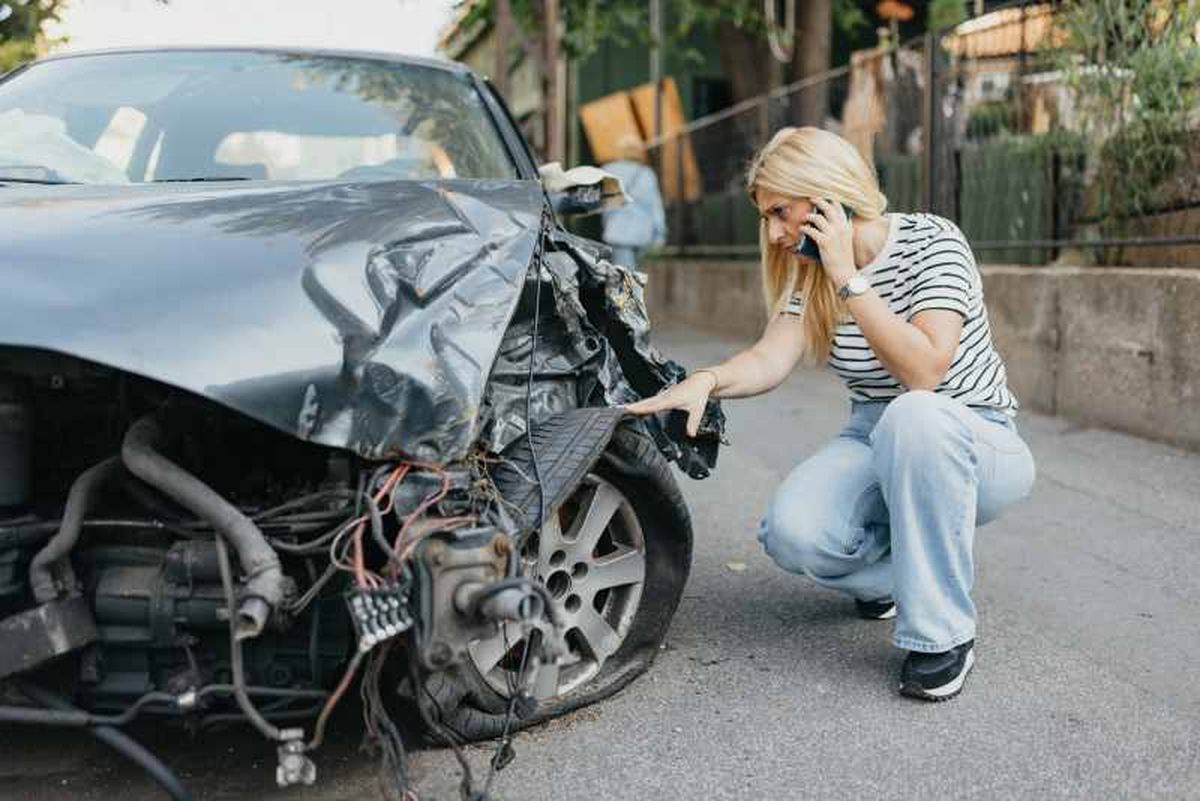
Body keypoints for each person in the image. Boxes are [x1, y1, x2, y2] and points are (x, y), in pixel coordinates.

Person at [624, 126, 1035, 701]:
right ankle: (922, 570)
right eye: (765, 217)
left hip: (969, 431)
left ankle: (941, 635)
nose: (772, 233)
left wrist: (849, 276)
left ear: (825, 197)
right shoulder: (807, 273)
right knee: (791, 533)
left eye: (780, 212)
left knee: (914, 415)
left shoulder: (933, 242)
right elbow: (772, 355)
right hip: (874, 432)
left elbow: (925, 373)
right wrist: (707, 381)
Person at [601, 134, 667, 269]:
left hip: (618, 233)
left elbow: (606, 206)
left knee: (626, 279)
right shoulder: (647, 173)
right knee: (635, 277)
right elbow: (656, 207)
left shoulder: (609, 171)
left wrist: (606, 225)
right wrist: (660, 234)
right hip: (643, 235)